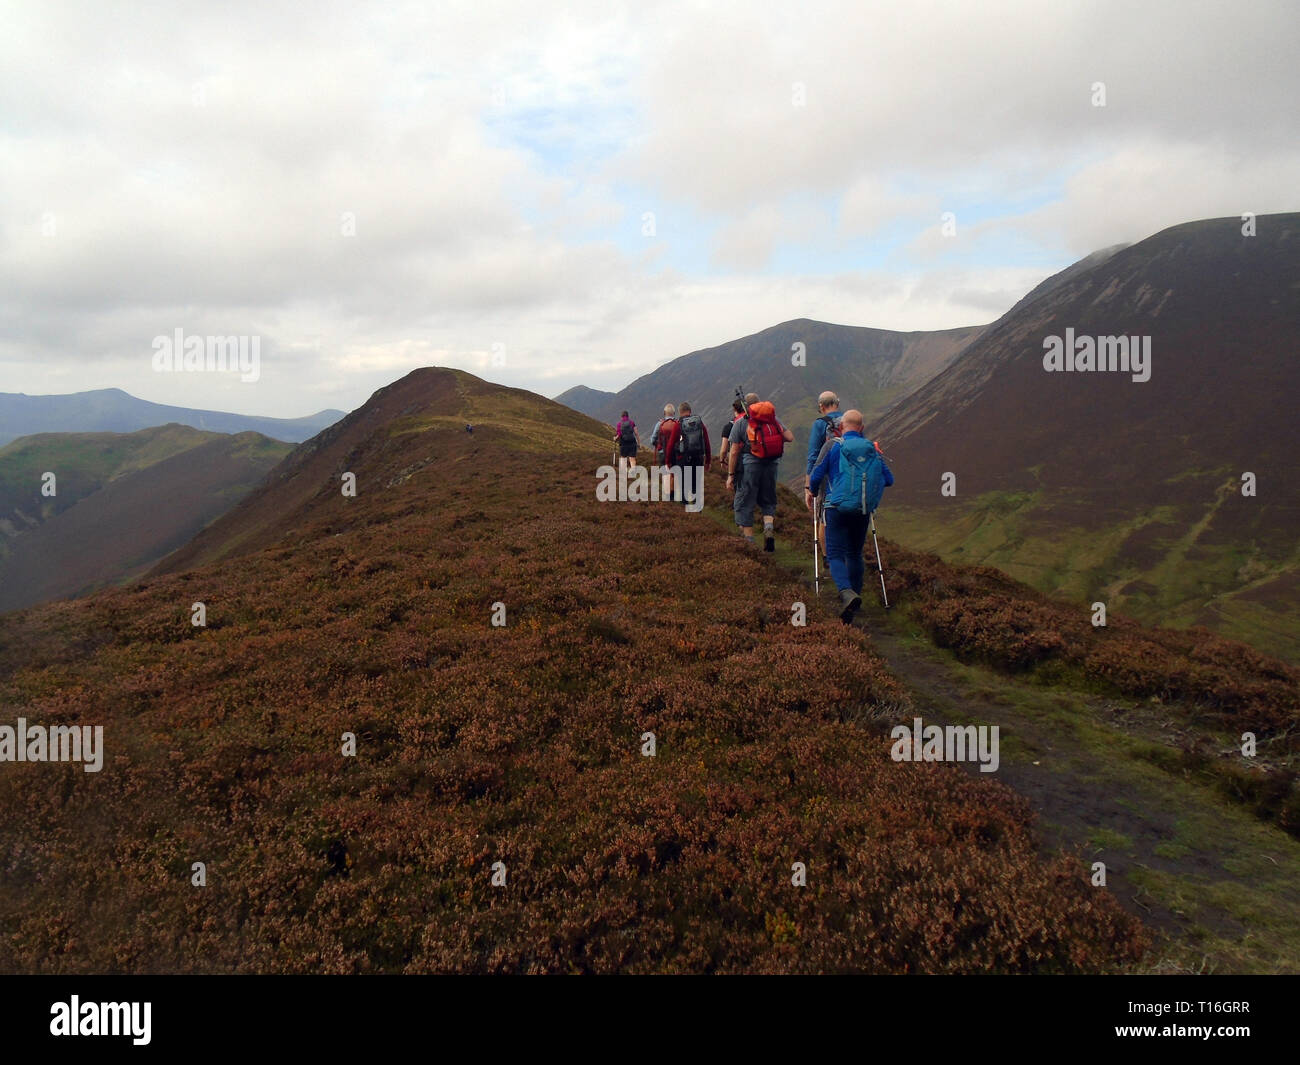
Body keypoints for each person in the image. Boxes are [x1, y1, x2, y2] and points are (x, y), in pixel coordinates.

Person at [806, 409, 894, 624]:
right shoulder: (871, 449)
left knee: (835, 554)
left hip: (835, 508)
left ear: (842, 427)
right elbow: (888, 479)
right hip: (862, 510)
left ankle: (846, 593)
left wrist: (813, 491)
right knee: (854, 553)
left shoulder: (835, 446)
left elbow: (817, 474)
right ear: (862, 428)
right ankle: (855, 594)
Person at [727, 392, 793, 550]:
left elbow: (734, 451)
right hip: (772, 464)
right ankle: (768, 528)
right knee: (768, 499)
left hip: (751, 466)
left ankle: (749, 542)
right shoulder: (772, 420)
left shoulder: (741, 422)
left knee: (746, 501)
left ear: (746, 406)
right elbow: (789, 437)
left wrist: (730, 475)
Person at [663, 401, 711, 507]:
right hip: (698, 458)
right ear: (690, 411)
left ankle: (685, 511)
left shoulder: (678, 425)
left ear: (680, 412)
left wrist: (668, 462)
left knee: (683, 486)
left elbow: (670, 445)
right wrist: (708, 460)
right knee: (696, 486)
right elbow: (706, 441)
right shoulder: (699, 423)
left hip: (683, 459)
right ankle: (697, 511)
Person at [805, 391, 841, 492]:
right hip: (850, 475)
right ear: (837, 404)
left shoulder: (820, 424)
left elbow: (813, 456)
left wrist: (808, 486)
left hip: (828, 479)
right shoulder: (850, 420)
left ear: (821, 406)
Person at [651, 404, 677, 498]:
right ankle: (672, 496)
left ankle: (666, 495)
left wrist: (658, 446)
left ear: (664, 413)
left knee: (665, 473)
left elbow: (652, 439)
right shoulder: (677, 423)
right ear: (674, 413)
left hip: (663, 453)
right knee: (673, 473)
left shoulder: (659, 424)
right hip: (675, 453)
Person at [717, 398, 744, 474]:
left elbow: (724, 450)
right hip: (755, 460)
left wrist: (722, 460)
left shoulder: (729, 426)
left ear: (735, 410)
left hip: (737, 462)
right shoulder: (751, 422)